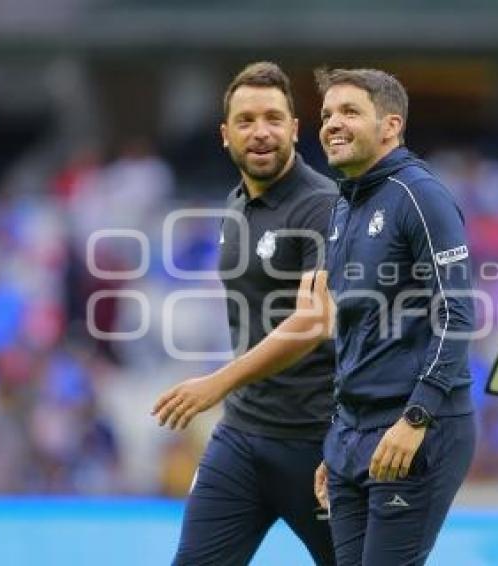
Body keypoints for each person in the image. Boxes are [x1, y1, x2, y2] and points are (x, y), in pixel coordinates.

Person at [151, 61, 337, 565]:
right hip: (241, 441)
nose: (261, 132)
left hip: (317, 445)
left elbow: (315, 321)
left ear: (296, 130)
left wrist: (217, 383)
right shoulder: (234, 205)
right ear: (224, 136)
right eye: (247, 120)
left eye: (274, 118)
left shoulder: (321, 206)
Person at [311, 68, 476, 565]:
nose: (332, 123)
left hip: (414, 427)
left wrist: (416, 416)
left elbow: (458, 311)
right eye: (326, 114)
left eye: (349, 111)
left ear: (390, 125)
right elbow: (355, 331)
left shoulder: (419, 194)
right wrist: (340, 437)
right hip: (351, 438)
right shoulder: (344, 207)